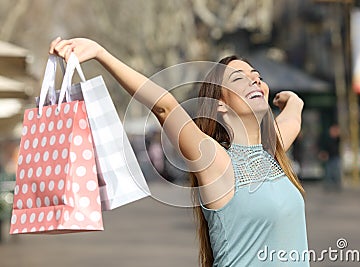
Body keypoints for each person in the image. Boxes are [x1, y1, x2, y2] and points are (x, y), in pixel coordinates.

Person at [50, 37, 309, 266]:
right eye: (240, 79)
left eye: (257, 77)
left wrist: (295, 102)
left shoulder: (271, 153)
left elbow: (291, 122)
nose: (255, 80)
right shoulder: (215, 162)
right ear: (220, 104)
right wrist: (100, 53)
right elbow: (164, 106)